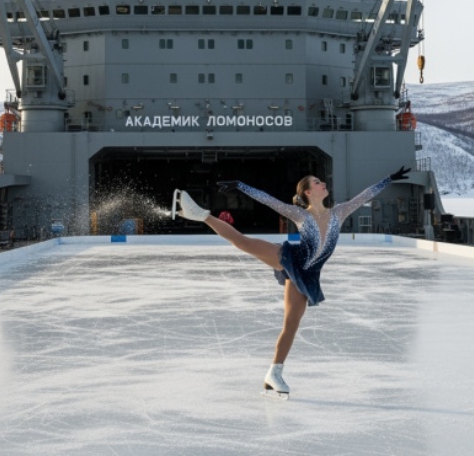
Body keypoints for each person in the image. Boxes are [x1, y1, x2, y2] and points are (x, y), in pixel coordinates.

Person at [172, 166, 411, 397]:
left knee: (291, 324)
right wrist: (240, 185)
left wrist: (389, 178)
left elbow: (365, 195)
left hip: (307, 275)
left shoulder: (339, 212)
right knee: (243, 242)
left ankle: (273, 373)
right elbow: (268, 200)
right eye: (317, 182)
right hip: (290, 258)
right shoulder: (301, 215)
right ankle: (201, 214)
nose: (323, 183)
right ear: (308, 192)